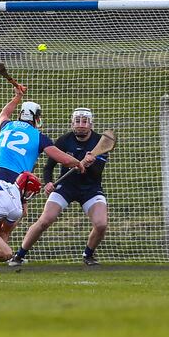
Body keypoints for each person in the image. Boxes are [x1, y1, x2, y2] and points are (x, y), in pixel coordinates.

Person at [9, 107, 106, 267]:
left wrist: (91, 163)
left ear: (91, 124)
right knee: (45, 221)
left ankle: (88, 255)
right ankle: (19, 255)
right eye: (77, 121)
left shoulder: (99, 142)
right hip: (65, 188)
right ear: (71, 123)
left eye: (84, 121)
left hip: (90, 189)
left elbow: (97, 173)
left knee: (101, 224)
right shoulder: (64, 140)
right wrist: (48, 182)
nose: (81, 125)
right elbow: (49, 166)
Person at [0, 84, 85, 184]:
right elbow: (65, 160)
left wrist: (17, 97)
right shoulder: (39, 137)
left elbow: (3, 113)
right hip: (16, 179)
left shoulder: (7, 126)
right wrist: (78, 163)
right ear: (36, 117)